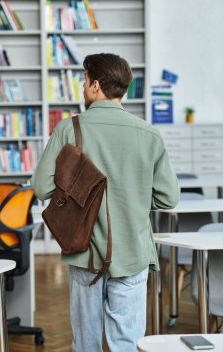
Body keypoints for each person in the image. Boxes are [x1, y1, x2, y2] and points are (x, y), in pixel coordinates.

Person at [31, 53, 179, 351]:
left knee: (85, 343)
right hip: (133, 253)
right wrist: (133, 193)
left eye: (85, 81)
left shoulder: (69, 129)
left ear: (96, 85)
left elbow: (41, 187)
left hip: (85, 253)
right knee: (126, 342)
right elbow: (169, 197)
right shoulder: (149, 134)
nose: (83, 86)